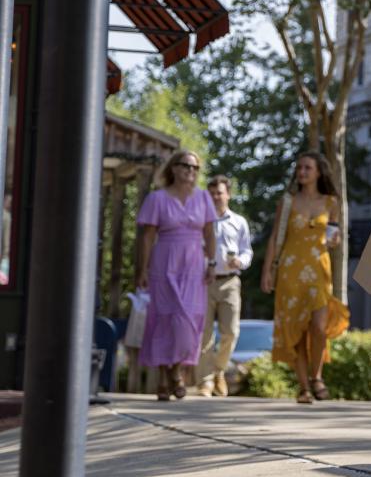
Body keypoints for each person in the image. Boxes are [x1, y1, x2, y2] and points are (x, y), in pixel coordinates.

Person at [261, 152, 349, 404]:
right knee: (296, 329)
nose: (302, 172)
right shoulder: (287, 202)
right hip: (291, 270)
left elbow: (334, 238)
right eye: (299, 168)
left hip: (319, 269)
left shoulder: (331, 202)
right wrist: (268, 271)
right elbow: (274, 238)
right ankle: (303, 387)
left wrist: (336, 238)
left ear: (318, 172)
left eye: (307, 168)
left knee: (318, 327)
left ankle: (317, 375)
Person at [135, 149, 217, 401]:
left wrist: (211, 262)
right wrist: (143, 270)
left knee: (189, 321)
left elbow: (210, 233)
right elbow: (147, 237)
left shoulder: (204, 198)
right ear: (173, 168)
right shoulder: (157, 198)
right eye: (184, 165)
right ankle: (163, 376)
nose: (190, 171)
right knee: (165, 319)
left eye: (194, 168)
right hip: (164, 262)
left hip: (193, 265)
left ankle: (176, 370)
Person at [196, 175, 252, 397]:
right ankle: (205, 382)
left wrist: (241, 261)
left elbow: (247, 250)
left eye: (219, 193)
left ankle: (218, 370)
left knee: (231, 332)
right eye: (211, 194)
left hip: (230, 281)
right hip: (204, 281)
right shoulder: (200, 220)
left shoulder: (239, 222)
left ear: (228, 194)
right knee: (205, 335)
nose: (215, 197)